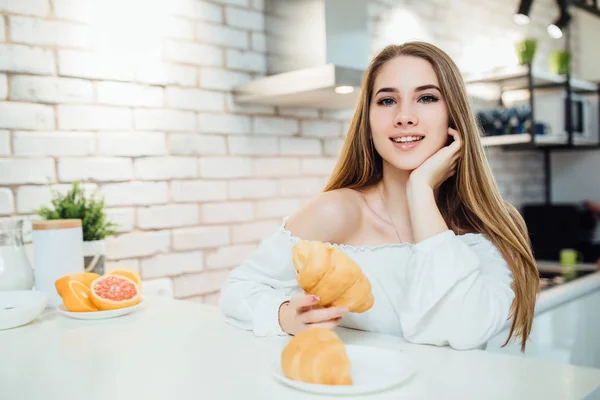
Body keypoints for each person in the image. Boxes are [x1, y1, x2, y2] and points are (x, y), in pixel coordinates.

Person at [219, 42, 539, 352]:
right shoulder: (338, 212)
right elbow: (237, 290)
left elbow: (461, 331)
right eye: (387, 101)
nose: (404, 116)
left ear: (453, 115)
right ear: (368, 120)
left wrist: (420, 191)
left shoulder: (491, 227)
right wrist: (285, 315)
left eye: (426, 98)